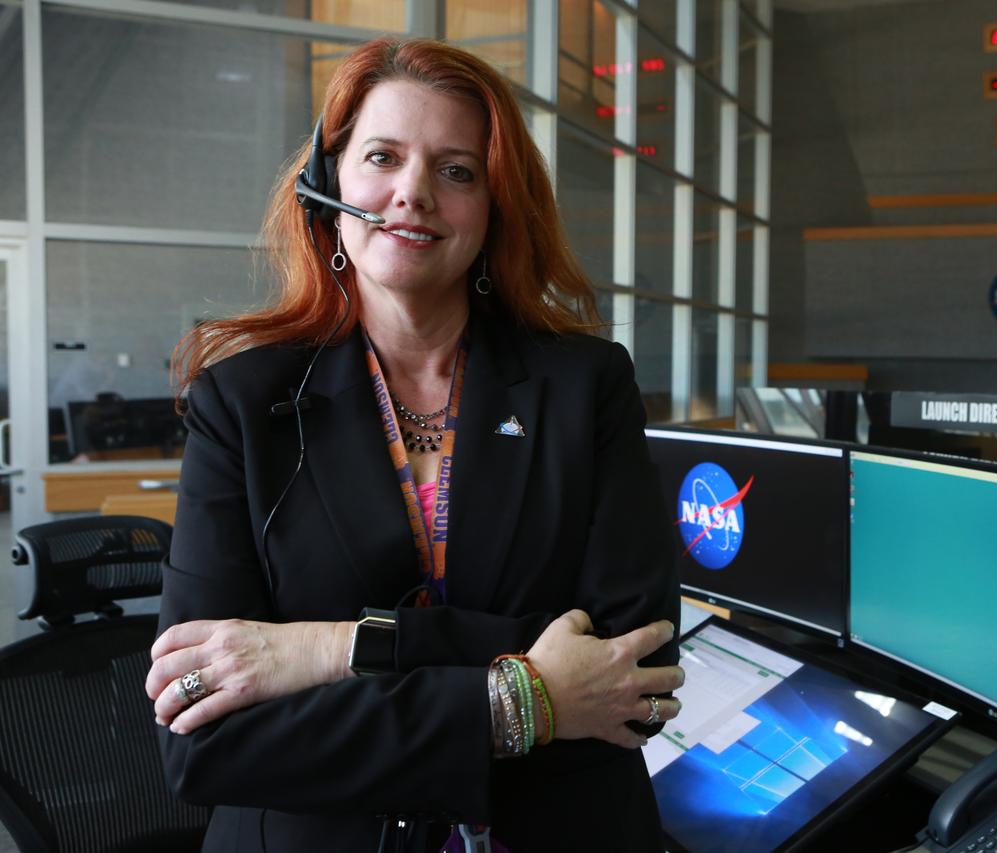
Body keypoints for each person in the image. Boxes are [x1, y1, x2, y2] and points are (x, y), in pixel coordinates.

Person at [144, 37, 682, 853]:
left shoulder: (587, 386)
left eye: (456, 170)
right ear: (328, 188)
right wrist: (523, 697)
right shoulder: (242, 406)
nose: (413, 194)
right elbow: (205, 739)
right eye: (383, 157)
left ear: (494, 205)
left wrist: (323, 648)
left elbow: (629, 676)